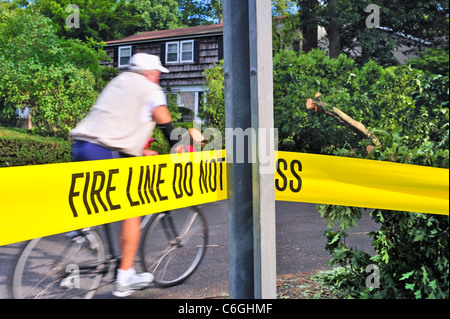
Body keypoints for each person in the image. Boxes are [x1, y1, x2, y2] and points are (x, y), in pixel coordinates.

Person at [70, 53, 177, 297]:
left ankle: (81, 231)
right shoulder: (150, 88)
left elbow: (118, 123)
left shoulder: (118, 82)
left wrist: (140, 150)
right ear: (151, 73)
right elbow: (166, 125)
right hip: (104, 150)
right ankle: (125, 276)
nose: (158, 78)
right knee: (133, 206)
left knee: (99, 199)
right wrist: (179, 149)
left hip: (82, 145)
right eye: (158, 73)